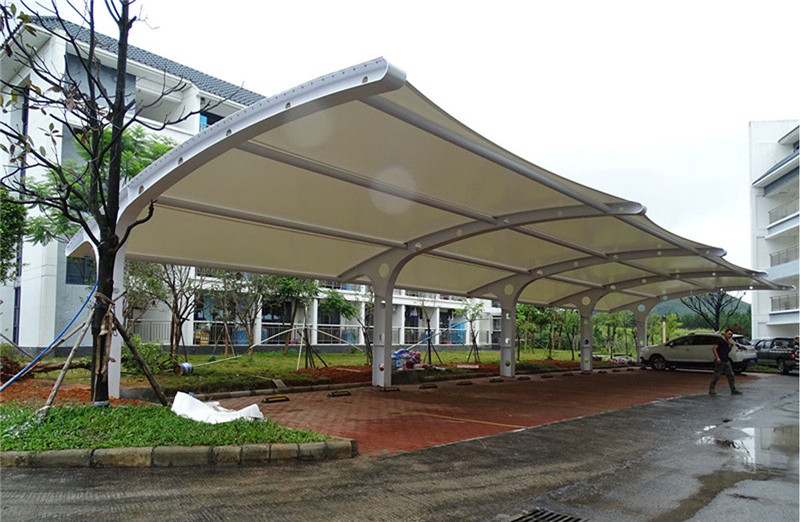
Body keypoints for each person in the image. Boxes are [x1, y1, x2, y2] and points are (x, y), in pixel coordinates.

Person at [709, 328, 742, 395]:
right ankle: (711, 389)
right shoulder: (720, 340)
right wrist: (717, 358)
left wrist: (730, 347)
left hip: (726, 360)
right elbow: (714, 348)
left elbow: (727, 352)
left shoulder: (728, 342)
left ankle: (733, 389)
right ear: (725, 333)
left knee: (731, 375)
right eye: (729, 334)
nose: (730, 336)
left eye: (731, 335)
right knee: (717, 375)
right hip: (720, 360)